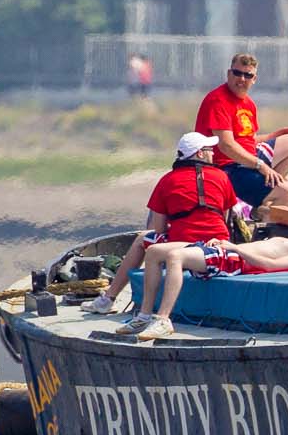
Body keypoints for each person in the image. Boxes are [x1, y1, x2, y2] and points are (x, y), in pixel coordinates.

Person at [86, 131, 238, 316]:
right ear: (199, 154)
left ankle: (109, 299)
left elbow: (156, 229)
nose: (213, 153)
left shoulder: (167, 181)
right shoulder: (222, 177)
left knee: (143, 239)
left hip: (186, 244)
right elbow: (224, 218)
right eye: (209, 149)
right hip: (218, 247)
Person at [124, 230, 288, 341]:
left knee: (175, 256)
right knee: (153, 252)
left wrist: (235, 248)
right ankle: (144, 315)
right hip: (226, 250)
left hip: (232, 259)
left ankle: (163, 319)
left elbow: (270, 265)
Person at [196, 53, 288, 220]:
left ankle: (262, 204)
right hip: (228, 166)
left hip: (250, 159)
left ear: (254, 79)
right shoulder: (218, 100)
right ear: (228, 74)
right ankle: (268, 233)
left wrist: (281, 132)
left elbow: (250, 140)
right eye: (237, 73)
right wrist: (261, 166)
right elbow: (226, 146)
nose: (241, 79)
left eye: (247, 75)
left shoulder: (249, 104)